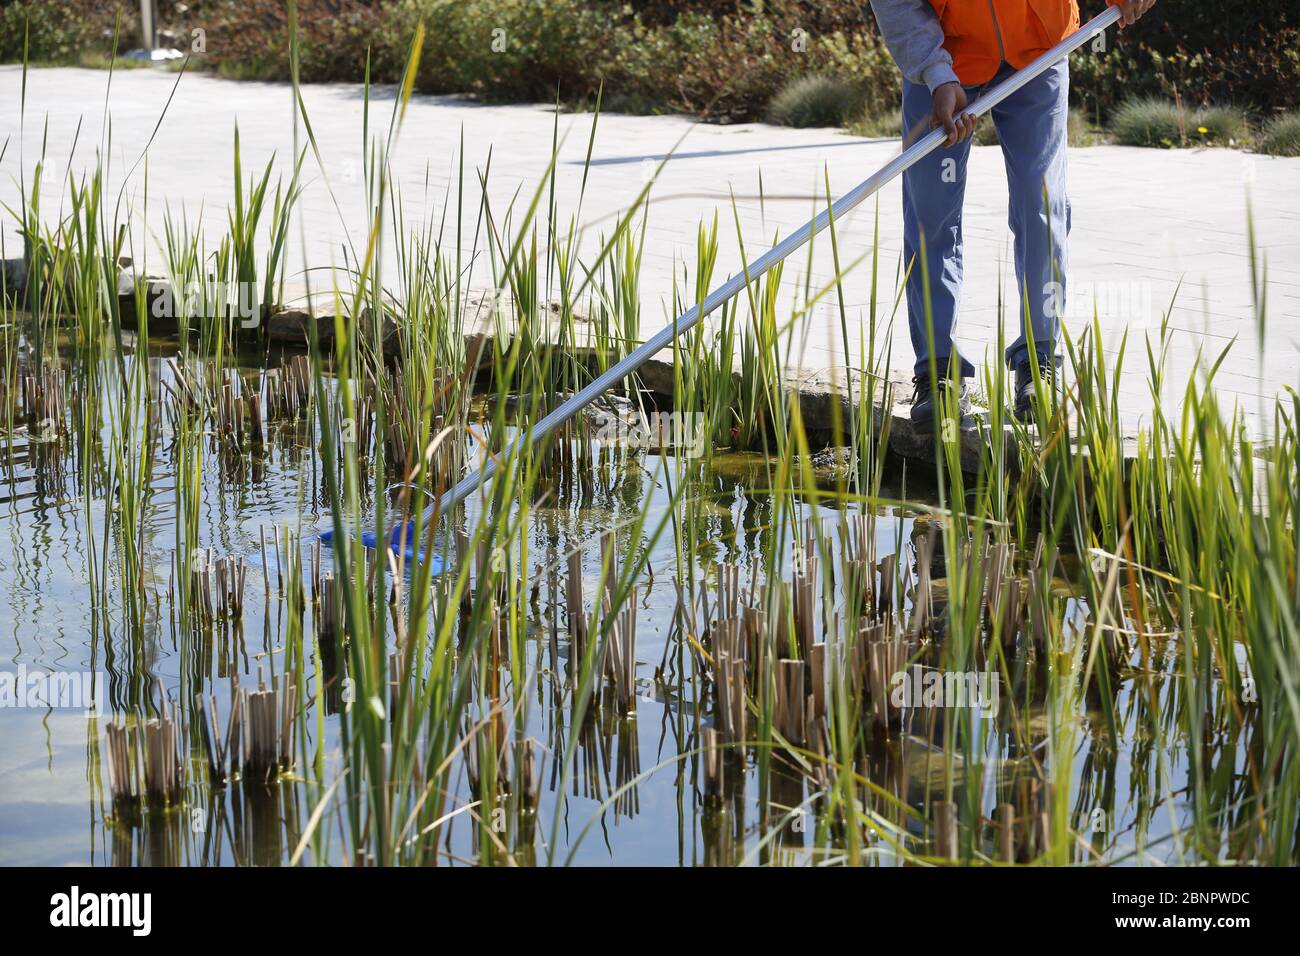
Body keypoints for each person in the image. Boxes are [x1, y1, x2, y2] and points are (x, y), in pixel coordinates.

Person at [869, 0, 1157, 425]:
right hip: (944, 61)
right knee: (932, 214)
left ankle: (1038, 362)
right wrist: (936, 72)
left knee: (1039, 205)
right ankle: (938, 371)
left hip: (1039, 51)